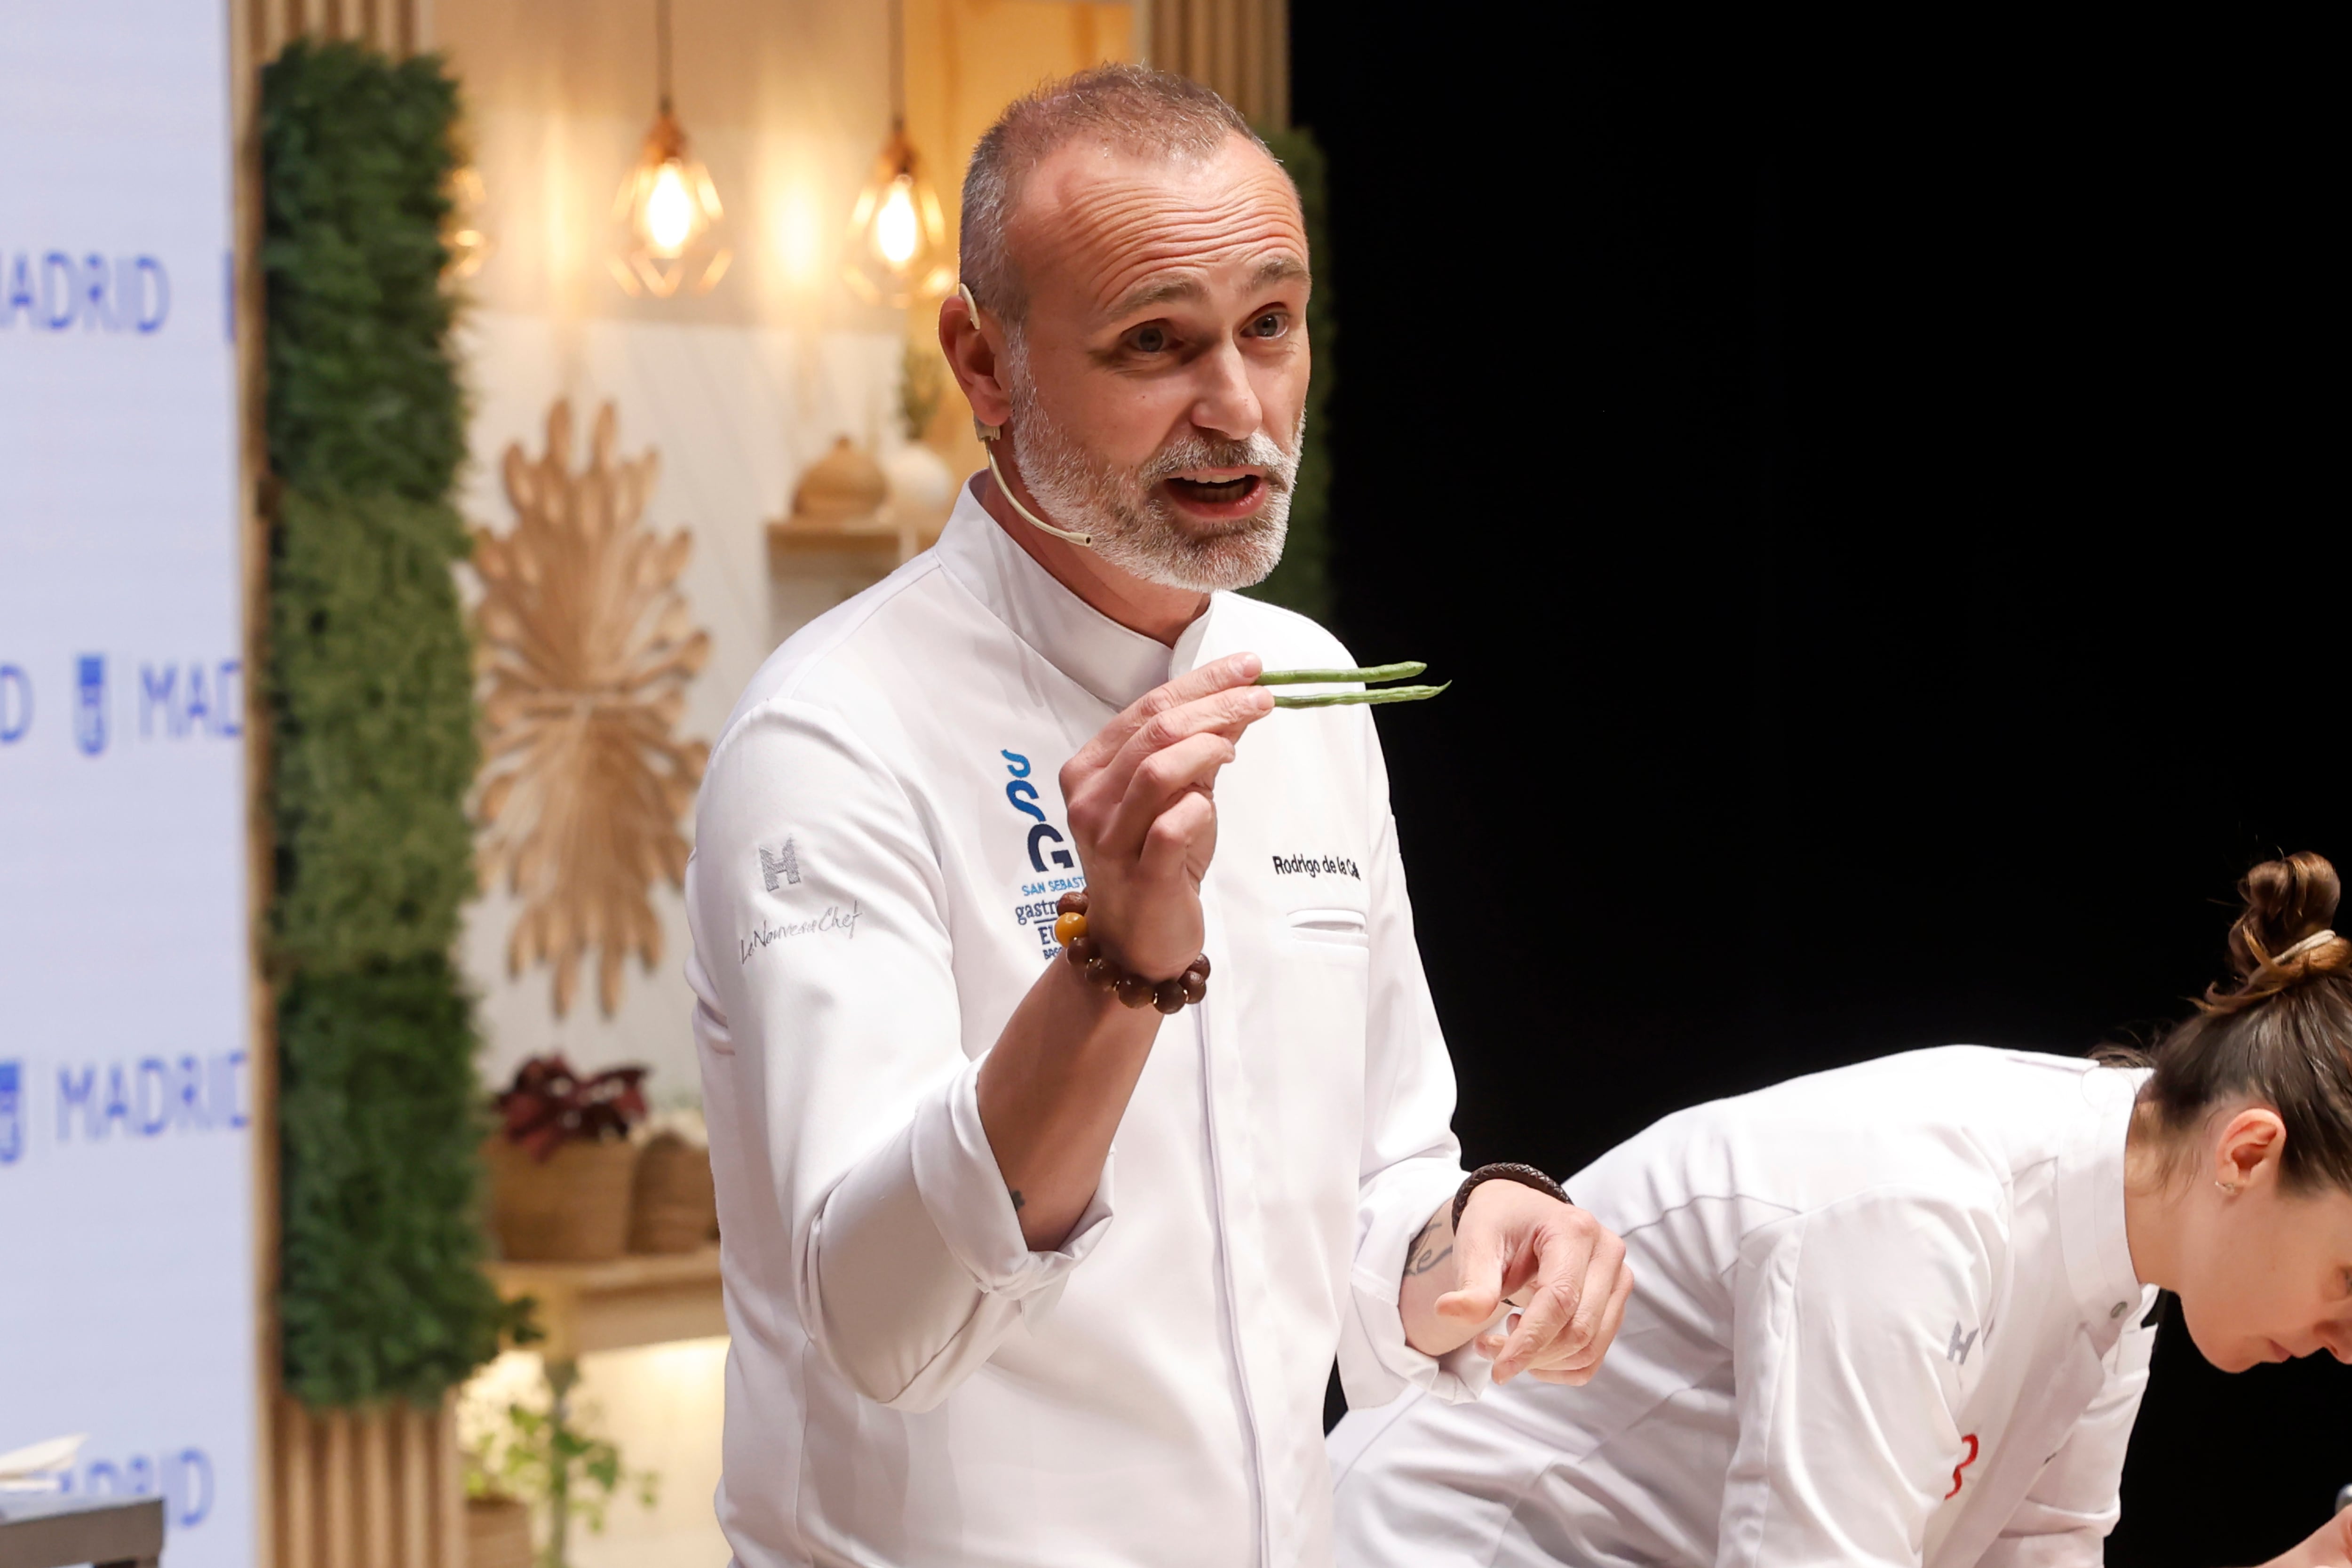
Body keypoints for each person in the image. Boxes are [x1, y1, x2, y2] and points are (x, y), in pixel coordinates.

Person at [683, 66, 1631, 1568]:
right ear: (985, 368)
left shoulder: (1303, 680)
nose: (1241, 408)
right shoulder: (832, 732)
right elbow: (882, 1319)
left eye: (1271, 323)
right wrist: (1111, 967)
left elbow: (1378, 1179)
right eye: (1155, 342)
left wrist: (1472, 1237)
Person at [1328, 852, 2352, 1568]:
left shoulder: (2122, 1264)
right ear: (2248, 1152)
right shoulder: (1919, 1206)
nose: (2350, 1344)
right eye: (2348, 1281)